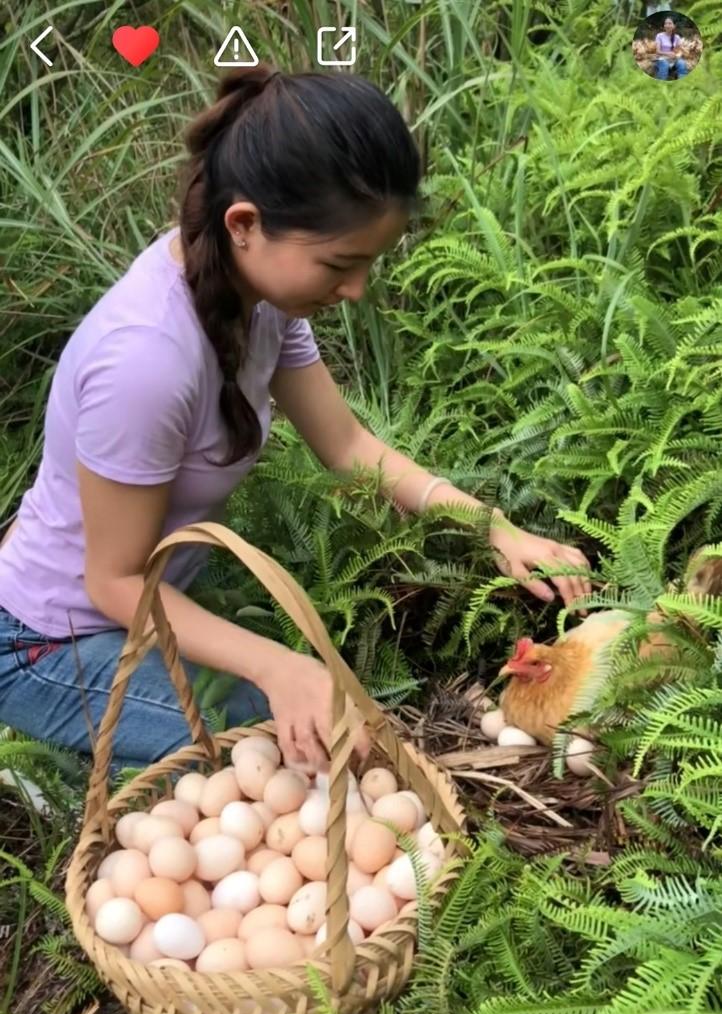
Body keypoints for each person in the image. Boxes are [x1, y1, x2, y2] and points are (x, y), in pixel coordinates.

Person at [0, 66, 591, 777]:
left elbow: (347, 444)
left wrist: (492, 527)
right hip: (43, 643)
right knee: (282, 751)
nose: (356, 289)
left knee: (324, 727)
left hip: (147, 609)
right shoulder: (146, 362)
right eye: (340, 263)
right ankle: (49, 768)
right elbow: (114, 581)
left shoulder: (257, 295)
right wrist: (279, 666)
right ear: (244, 223)